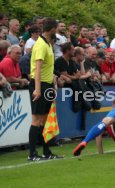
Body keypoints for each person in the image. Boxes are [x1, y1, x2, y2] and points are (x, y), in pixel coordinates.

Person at [28, 18, 62, 161]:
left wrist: (52, 84)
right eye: (57, 27)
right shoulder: (41, 45)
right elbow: (38, 68)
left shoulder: (47, 44)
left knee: (44, 120)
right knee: (36, 120)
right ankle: (32, 154)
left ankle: (46, 152)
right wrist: (37, 89)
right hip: (40, 84)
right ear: (52, 28)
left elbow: (48, 68)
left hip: (46, 85)